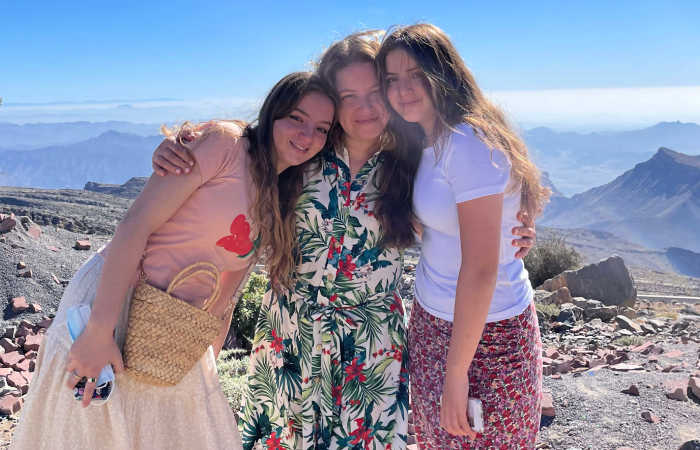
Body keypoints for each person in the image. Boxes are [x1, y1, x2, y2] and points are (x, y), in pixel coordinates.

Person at [153, 31, 536, 450]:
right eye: (348, 96)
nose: (365, 107)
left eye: (374, 91)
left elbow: (481, 189)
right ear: (330, 101)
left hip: (371, 344)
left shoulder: (410, 161)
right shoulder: (302, 151)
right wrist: (182, 144)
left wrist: (517, 226)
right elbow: (239, 154)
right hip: (291, 334)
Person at [10, 72, 335, 450]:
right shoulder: (226, 146)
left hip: (170, 328)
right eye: (296, 118)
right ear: (272, 112)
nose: (307, 135)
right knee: (90, 432)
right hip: (115, 300)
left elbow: (227, 290)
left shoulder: (279, 193)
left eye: (322, 128)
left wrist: (204, 364)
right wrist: (100, 329)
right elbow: (136, 224)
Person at [376, 23, 549, 449]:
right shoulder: (429, 137)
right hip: (436, 322)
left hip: (486, 336)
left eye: (416, 74)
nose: (403, 90)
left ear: (444, 72)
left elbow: (482, 267)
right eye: (392, 80)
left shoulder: (467, 141)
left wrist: (457, 374)